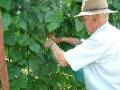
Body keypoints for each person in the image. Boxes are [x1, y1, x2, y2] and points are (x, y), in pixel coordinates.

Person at [44, 0, 120, 90]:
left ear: (95, 18)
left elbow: (63, 60)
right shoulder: (114, 33)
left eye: (84, 19)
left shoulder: (99, 40)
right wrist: (61, 39)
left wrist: (51, 43)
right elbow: (83, 43)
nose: (83, 23)